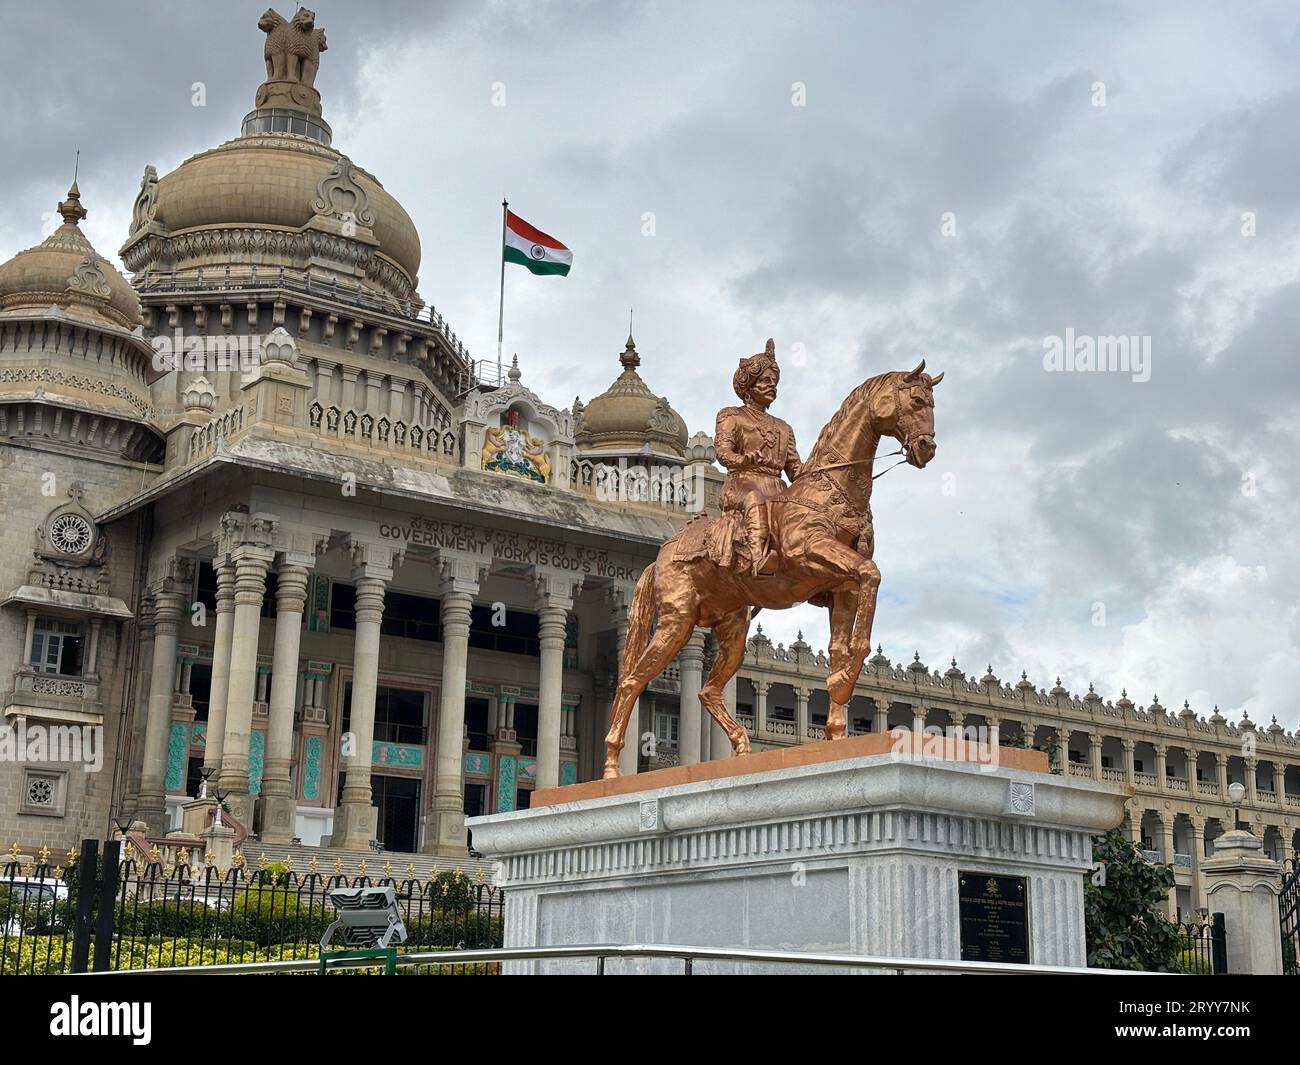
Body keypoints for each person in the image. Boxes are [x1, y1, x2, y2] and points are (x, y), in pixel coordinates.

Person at [713, 339, 802, 574]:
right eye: (764, 380)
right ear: (749, 386)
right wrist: (743, 460)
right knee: (754, 499)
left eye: (774, 382)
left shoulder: (784, 428)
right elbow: (723, 453)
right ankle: (756, 559)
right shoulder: (731, 416)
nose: (771, 385)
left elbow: (795, 469)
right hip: (742, 485)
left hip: (778, 490)